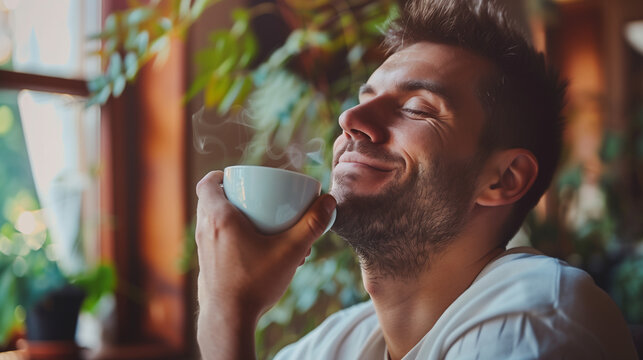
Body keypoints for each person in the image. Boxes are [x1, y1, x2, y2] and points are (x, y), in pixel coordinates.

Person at [194, 0, 638, 359]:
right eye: (362, 99)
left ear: (504, 178)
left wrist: (225, 315)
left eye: (418, 109)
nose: (350, 119)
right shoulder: (336, 344)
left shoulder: (533, 320)